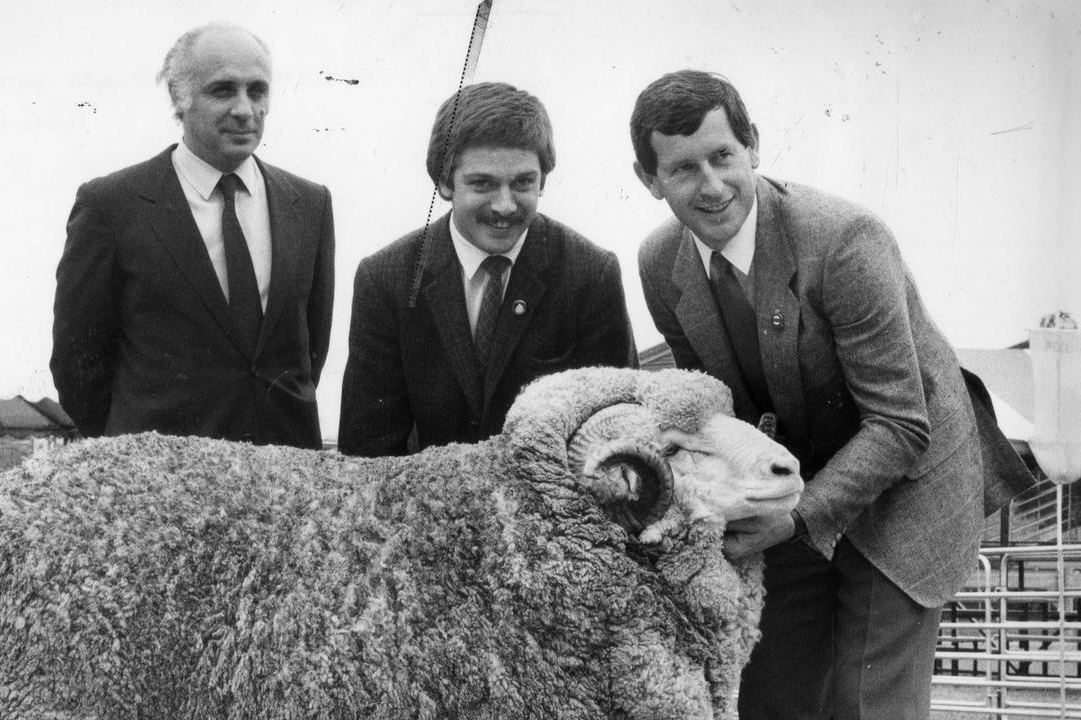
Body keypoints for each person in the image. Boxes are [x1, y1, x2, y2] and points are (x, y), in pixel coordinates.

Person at [629, 69, 1012, 719]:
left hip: (909, 482)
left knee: (866, 703)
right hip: (797, 478)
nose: (712, 185)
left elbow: (899, 423)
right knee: (770, 694)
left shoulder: (843, 240)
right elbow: (713, 412)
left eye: (724, 156)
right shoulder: (658, 263)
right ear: (649, 180)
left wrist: (798, 518)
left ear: (754, 147)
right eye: (684, 168)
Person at [51, 22, 335, 449]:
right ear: (178, 100)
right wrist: (131, 453)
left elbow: (309, 352)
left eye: (257, 91)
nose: (245, 109)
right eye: (223, 90)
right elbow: (78, 365)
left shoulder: (309, 204)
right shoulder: (111, 205)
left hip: (284, 480)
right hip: (161, 486)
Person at [339, 81, 636, 457]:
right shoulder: (386, 279)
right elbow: (369, 447)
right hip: (432, 502)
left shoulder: (591, 273)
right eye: (483, 184)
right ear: (445, 183)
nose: (505, 205)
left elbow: (617, 435)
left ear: (543, 178)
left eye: (523, 183)